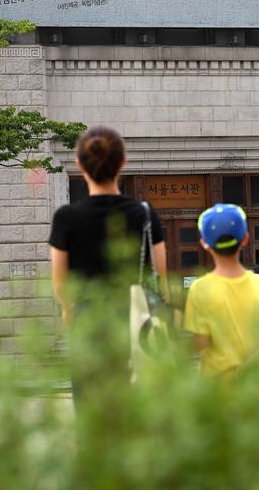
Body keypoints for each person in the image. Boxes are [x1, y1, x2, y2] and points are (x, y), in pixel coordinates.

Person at [49, 125, 167, 401]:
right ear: (122, 163)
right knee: (136, 405)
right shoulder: (145, 214)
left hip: (87, 323)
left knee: (91, 410)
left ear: (79, 165)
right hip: (135, 321)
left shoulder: (66, 217)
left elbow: (59, 282)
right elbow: (160, 278)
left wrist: (68, 312)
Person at [184, 204, 259, 376]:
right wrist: (251, 364)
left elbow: (202, 340)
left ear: (204, 243)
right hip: (251, 386)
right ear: (245, 239)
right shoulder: (258, 284)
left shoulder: (200, 288)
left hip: (215, 386)